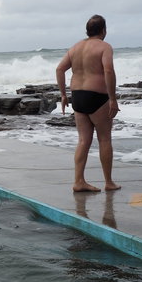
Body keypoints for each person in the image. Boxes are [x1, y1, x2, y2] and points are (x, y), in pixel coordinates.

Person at [56, 14, 121, 193]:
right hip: (97, 97)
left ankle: (79, 181)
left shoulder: (75, 47)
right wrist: (113, 98)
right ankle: (108, 182)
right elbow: (108, 70)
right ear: (103, 30)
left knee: (83, 140)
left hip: (78, 96)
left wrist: (63, 95)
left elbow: (60, 69)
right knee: (105, 139)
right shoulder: (104, 47)